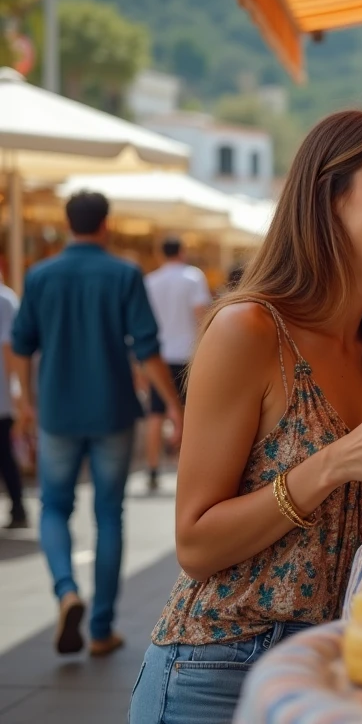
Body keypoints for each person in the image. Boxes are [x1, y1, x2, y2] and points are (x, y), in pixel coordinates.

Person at [128, 110, 362, 723]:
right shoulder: (248, 330)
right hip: (221, 666)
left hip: (333, 660)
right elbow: (195, 545)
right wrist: (333, 462)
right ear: (331, 196)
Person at [11, 190, 184, 657]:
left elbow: (21, 345)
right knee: (110, 514)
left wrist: (28, 403)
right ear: (105, 225)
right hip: (112, 410)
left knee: (53, 507)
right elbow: (146, 348)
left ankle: (66, 589)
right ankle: (102, 626)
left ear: (69, 224)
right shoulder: (124, 274)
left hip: (57, 412)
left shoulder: (40, 275)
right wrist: (173, 404)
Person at [142, 236, 212, 492]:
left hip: (157, 356)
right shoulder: (193, 277)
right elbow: (201, 314)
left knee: (155, 412)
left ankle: (151, 469)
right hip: (188, 354)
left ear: (161, 253)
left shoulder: (150, 281)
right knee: (191, 412)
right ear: (182, 252)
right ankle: (187, 470)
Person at [0, 272, 26, 529]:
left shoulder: (5, 299)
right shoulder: (5, 299)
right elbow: (11, 348)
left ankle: (18, 506)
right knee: (5, 453)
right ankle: (18, 506)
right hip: (2, 394)